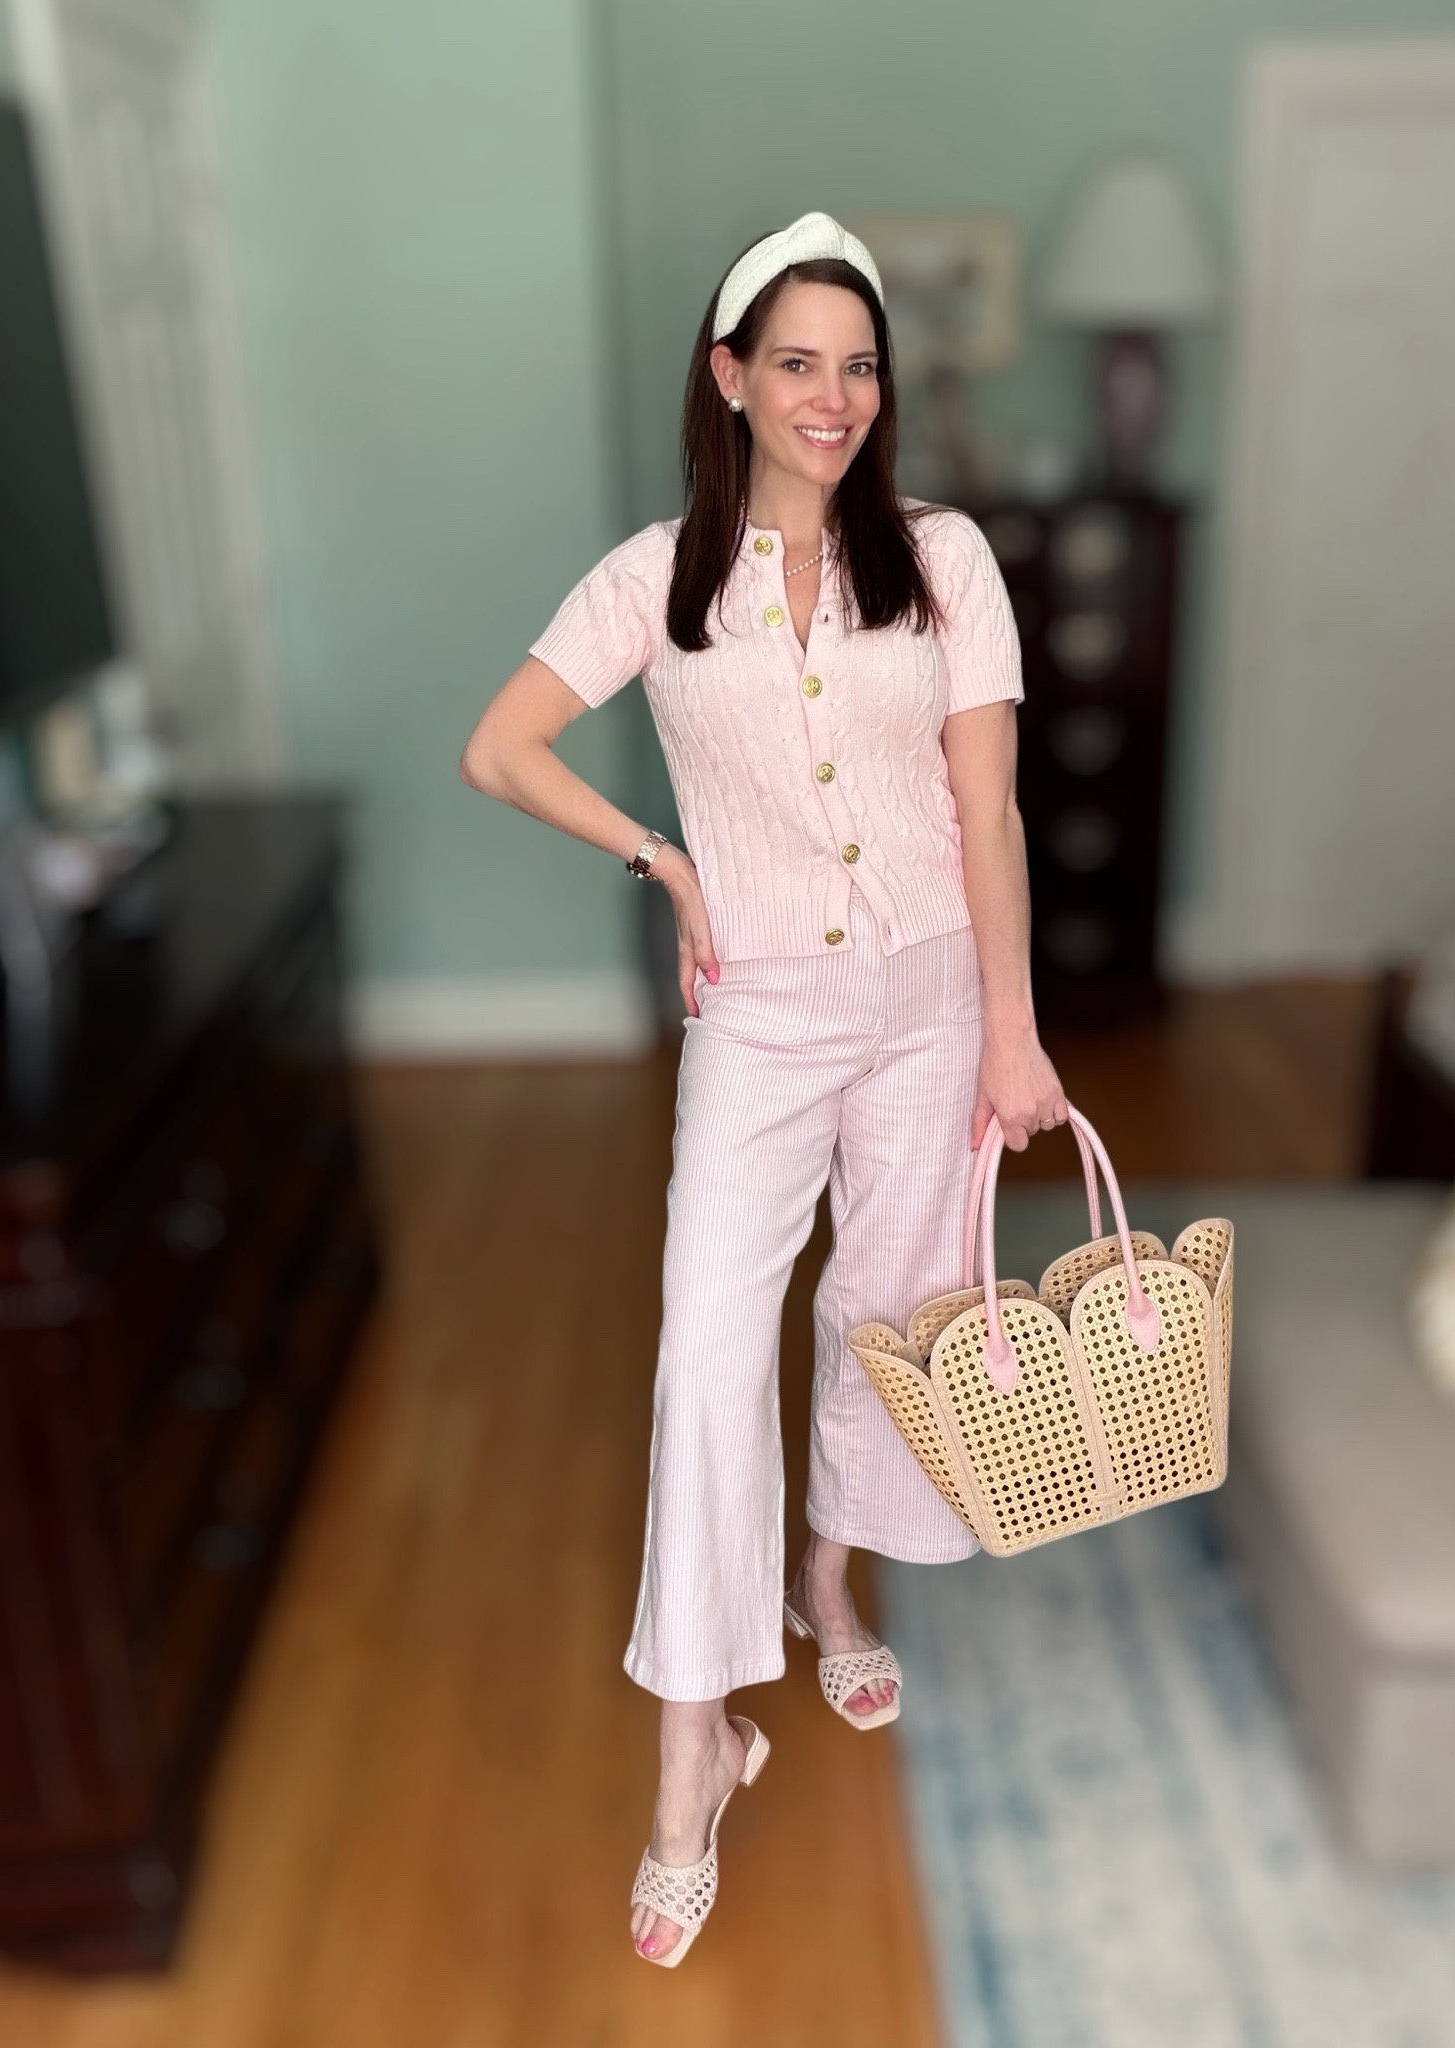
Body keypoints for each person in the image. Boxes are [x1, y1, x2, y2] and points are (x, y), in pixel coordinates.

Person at [460, 212, 1067, 1968]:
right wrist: (661, 859)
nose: (832, 396)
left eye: (857, 365)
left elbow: (985, 810)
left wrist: (1012, 1027)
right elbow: (499, 747)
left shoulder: (942, 558)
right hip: (763, 1016)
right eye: (795, 362)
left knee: (888, 1305)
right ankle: (696, 1749)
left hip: (935, 996)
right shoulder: (651, 582)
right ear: (727, 378)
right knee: (708, 1350)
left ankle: (825, 1584)